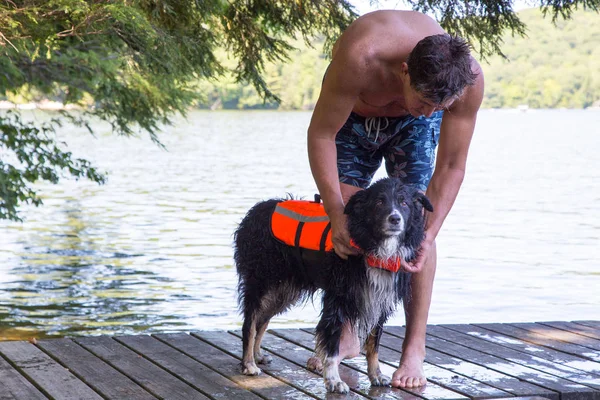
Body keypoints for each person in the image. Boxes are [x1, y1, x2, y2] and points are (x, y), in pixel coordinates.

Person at [306, 10, 484, 388]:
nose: (434, 113)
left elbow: (452, 165)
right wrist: (336, 215)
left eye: (443, 107)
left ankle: (413, 349)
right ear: (404, 71)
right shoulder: (362, 57)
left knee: (415, 232)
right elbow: (321, 134)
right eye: (425, 102)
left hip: (412, 133)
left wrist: (429, 234)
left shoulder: (467, 81)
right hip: (354, 122)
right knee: (353, 227)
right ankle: (349, 333)